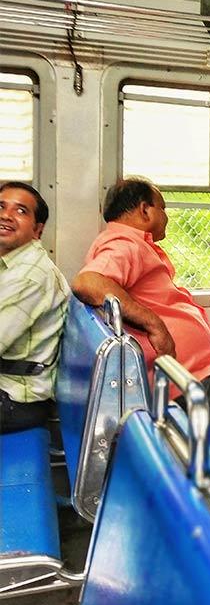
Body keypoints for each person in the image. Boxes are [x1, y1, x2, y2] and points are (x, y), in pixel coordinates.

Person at [71, 177, 210, 449]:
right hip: (180, 382)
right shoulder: (125, 244)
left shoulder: (135, 244)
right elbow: (87, 282)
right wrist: (156, 325)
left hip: (193, 373)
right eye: (163, 208)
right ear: (145, 210)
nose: (167, 217)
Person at [0, 182, 70, 433]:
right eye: (1, 206)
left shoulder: (30, 275)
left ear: (37, 230)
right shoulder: (10, 265)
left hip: (15, 398)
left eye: (21, 211)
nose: (5, 215)